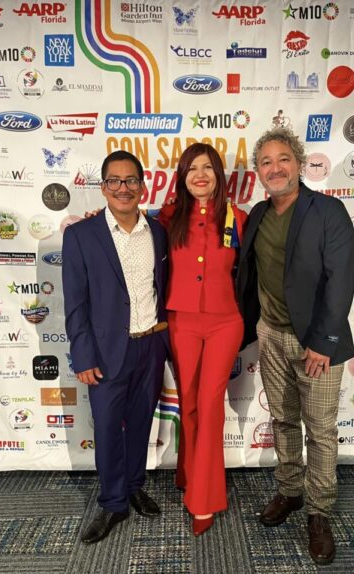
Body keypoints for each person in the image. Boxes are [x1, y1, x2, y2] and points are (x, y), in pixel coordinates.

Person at [237, 127, 354, 565]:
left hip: (316, 343)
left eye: (283, 159)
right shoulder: (257, 214)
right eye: (266, 162)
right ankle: (289, 491)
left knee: (319, 430)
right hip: (271, 335)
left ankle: (319, 511)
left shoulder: (327, 210)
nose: (275, 168)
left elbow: (341, 278)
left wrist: (324, 341)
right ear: (258, 171)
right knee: (284, 420)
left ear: (299, 163)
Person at [62, 150, 169, 544]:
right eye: (115, 181)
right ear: (104, 187)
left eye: (131, 180)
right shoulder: (80, 235)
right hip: (106, 352)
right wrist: (83, 355)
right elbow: (75, 303)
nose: (124, 188)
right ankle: (112, 503)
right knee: (107, 429)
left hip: (151, 346)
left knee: (141, 423)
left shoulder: (157, 231)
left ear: (143, 185)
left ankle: (134, 485)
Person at [158, 143, 247, 536]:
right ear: (182, 175)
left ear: (219, 175)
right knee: (189, 403)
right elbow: (129, 234)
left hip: (225, 322)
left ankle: (204, 499)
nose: (200, 175)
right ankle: (189, 473)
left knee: (210, 406)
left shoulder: (238, 218)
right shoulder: (167, 217)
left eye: (207, 167)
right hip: (181, 321)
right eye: (192, 168)